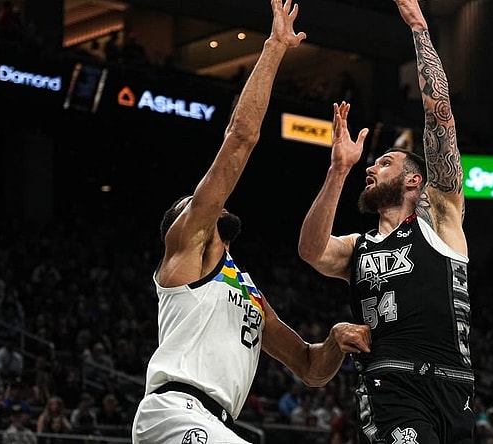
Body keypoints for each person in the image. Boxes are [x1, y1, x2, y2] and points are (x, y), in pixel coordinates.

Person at [131, 1, 371, 443]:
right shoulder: (186, 249)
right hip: (175, 413)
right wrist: (275, 46)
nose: (209, 202)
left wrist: (336, 340)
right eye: (196, 203)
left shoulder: (246, 291)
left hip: (213, 423)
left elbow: (308, 366)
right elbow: (241, 137)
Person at [297, 0, 475, 442]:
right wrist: (337, 170)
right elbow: (311, 250)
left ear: (414, 180)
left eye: (385, 162)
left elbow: (440, 116)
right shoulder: (358, 248)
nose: (371, 168)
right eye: (371, 165)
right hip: (391, 382)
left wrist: (418, 27)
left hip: (455, 385)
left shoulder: (441, 218)